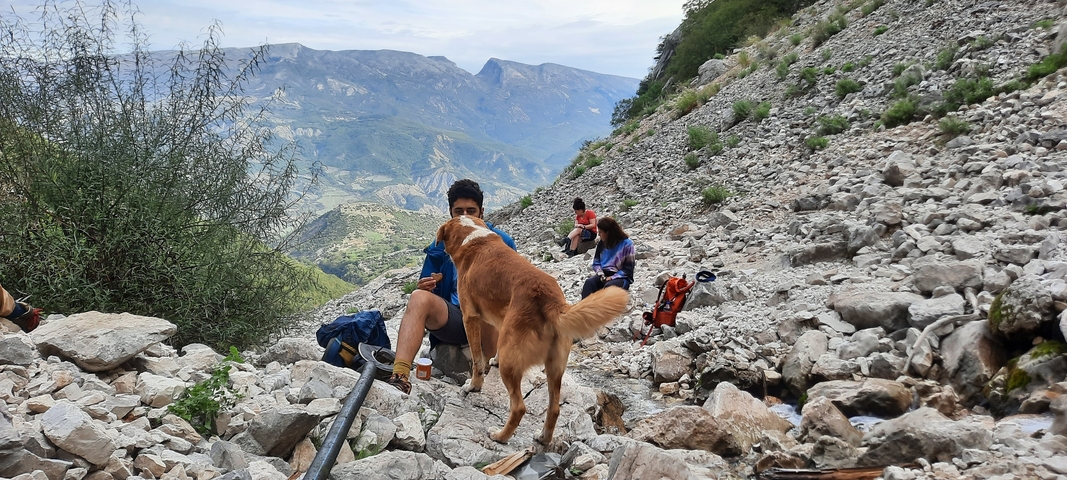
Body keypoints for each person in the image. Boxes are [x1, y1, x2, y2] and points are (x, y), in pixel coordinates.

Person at [386, 179, 516, 394]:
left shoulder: (501, 242)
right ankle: (400, 375)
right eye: (459, 211)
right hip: (455, 318)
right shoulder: (441, 244)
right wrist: (426, 286)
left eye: (471, 211)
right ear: (450, 212)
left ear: (482, 212)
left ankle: (490, 374)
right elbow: (429, 290)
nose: (465, 217)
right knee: (418, 297)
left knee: (489, 304)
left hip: (488, 323)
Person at [581, 217, 635, 299]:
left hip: (621, 278)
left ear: (608, 232)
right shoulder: (601, 243)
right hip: (604, 275)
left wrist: (612, 277)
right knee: (589, 283)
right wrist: (601, 275)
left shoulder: (627, 244)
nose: (599, 234)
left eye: (601, 232)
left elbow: (628, 269)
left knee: (609, 287)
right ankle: (584, 309)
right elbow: (596, 262)